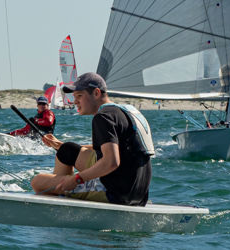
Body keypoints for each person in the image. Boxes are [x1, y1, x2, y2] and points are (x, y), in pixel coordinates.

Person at [30, 72, 152, 206]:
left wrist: (76, 179)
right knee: (67, 150)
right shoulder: (126, 111)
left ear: (96, 93)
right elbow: (118, 148)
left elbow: (111, 162)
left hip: (114, 192)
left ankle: (61, 196)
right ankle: (61, 191)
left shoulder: (102, 117)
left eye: (79, 96)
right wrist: (60, 145)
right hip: (139, 193)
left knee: (38, 182)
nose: (75, 101)